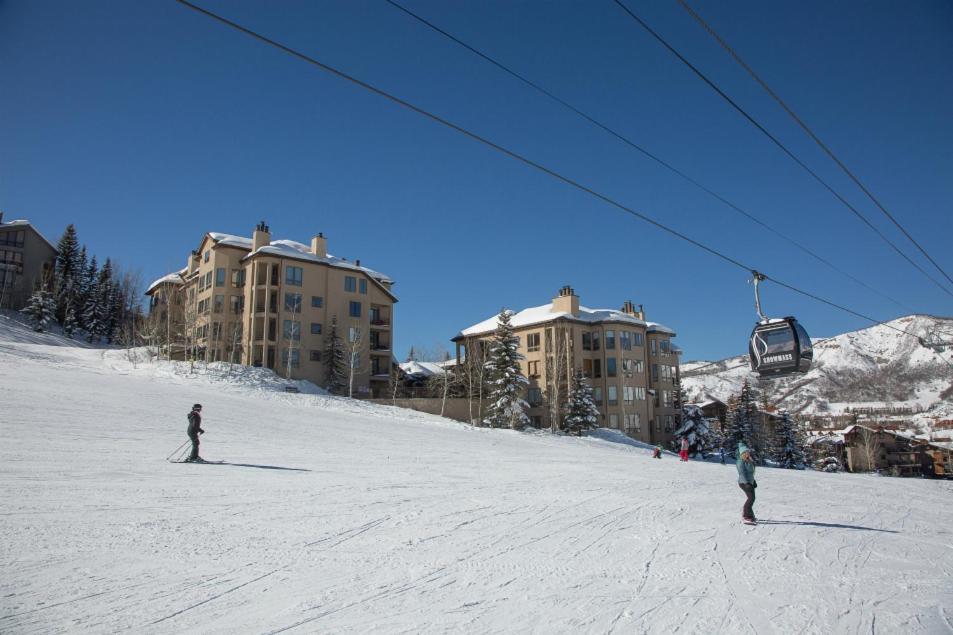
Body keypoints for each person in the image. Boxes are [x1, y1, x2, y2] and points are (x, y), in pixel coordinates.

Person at [736, 442, 757, 524]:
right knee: (751, 498)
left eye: (748, 452)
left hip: (749, 482)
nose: (748, 453)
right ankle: (745, 515)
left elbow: (751, 473)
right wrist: (746, 483)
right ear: (742, 453)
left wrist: (753, 481)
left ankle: (750, 515)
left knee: (752, 498)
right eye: (745, 452)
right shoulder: (740, 461)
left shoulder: (749, 460)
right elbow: (742, 473)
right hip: (743, 482)